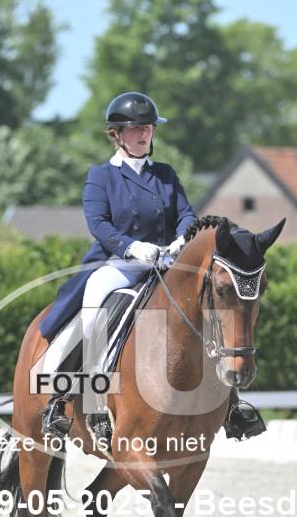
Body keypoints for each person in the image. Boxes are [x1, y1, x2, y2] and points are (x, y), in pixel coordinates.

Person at [38, 92, 265, 441]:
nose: (144, 134)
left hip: (167, 262)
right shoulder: (101, 176)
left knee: (210, 311)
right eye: (136, 129)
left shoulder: (165, 175)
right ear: (116, 134)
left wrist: (181, 240)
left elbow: (186, 214)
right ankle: (67, 398)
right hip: (118, 264)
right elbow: (98, 223)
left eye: (148, 128)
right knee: (93, 311)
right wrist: (133, 247)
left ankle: (232, 406)